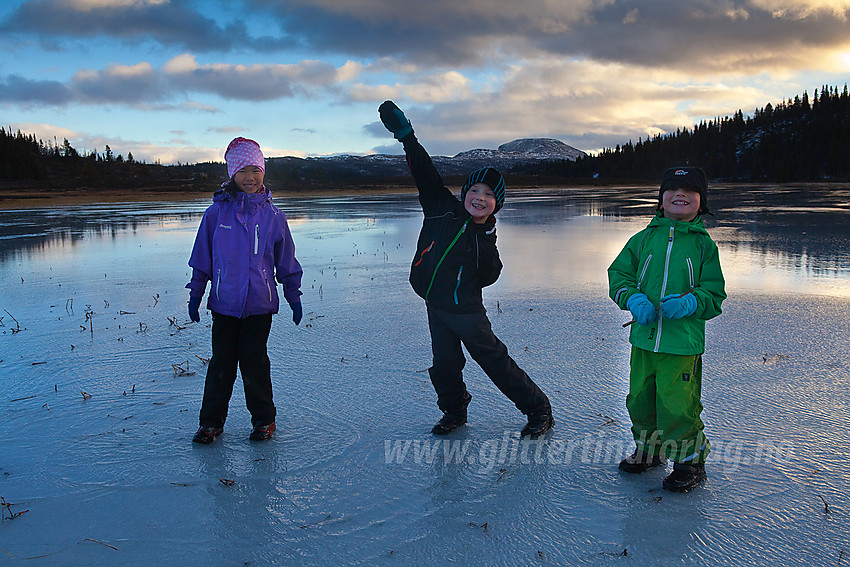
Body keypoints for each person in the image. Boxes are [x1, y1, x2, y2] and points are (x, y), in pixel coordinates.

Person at [378, 100, 554, 437]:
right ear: (464, 193)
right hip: (436, 304)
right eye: (474, 189)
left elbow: (490, 276)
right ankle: (455, 412)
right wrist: (407, 137)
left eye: (488, 194)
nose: (479, 197)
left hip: (466, 310)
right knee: (444, 366)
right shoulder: (441, 207)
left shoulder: (484, 237)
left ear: (496, 204)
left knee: (494, 363)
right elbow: (425, 173)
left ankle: (539, 409)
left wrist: (483, 238)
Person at [607, 166, 726, 492]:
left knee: (678, 405)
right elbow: (618, 276)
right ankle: (649, 451)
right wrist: (633, 299)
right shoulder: (643, 239)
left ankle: (690, 461)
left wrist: (690, 302)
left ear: (701, 203)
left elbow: (714, 295)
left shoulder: (704, 247)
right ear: (661, 199)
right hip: (643, 341)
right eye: (673, 189)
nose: (680, 194)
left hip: (681, 345)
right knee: (641, 399)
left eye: (690, 190)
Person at [186, 137, 303, 444]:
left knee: (255, 362)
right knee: (221, 364)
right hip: (224, 304)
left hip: (259, 306)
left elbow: (286, 259)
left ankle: (264, 420)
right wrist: (196, 293)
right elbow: (202, 258)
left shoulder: (274, 216)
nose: (251, 177)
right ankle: (210, 423)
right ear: (232, 174)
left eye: (256, 170)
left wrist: (294, 295)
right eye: (243, 171)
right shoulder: (215, 215)